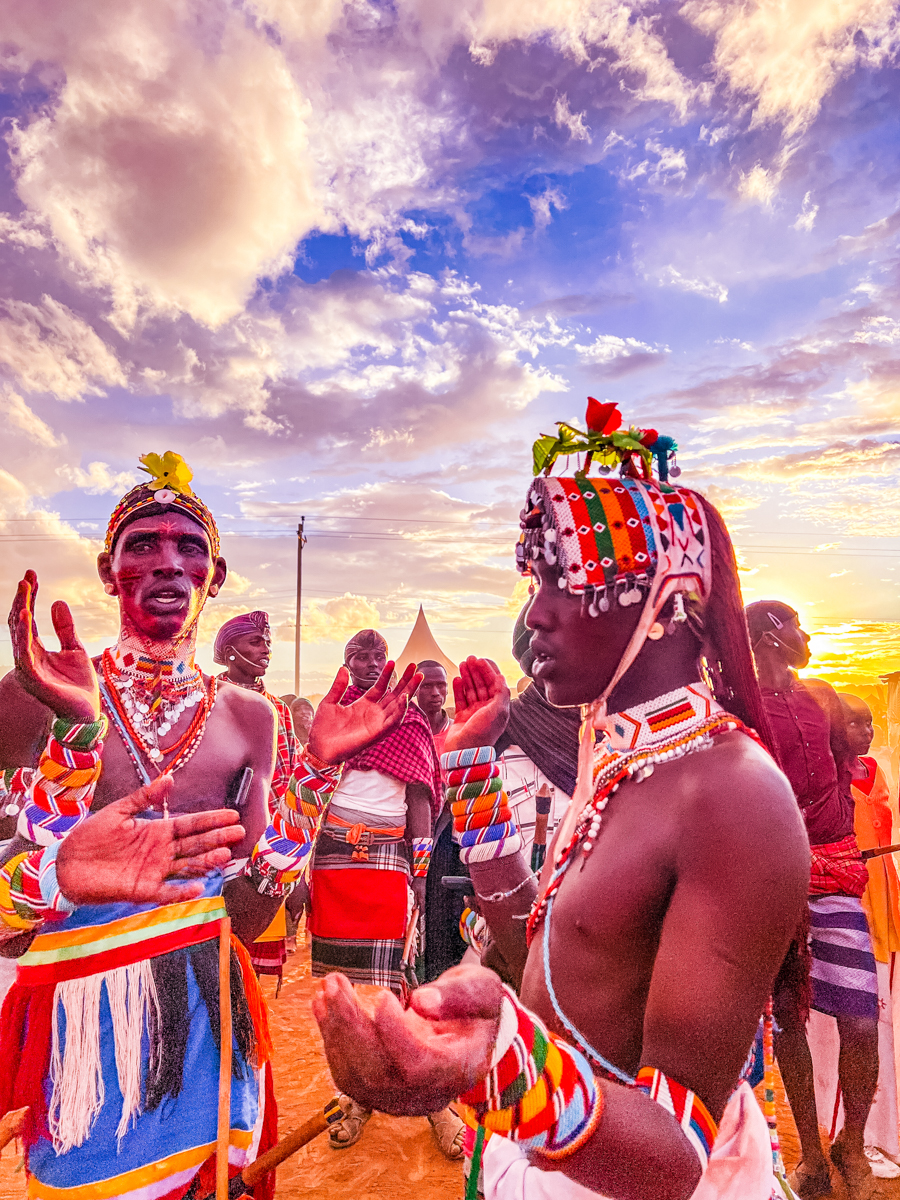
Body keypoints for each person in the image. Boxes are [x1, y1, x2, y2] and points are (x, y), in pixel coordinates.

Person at [312, 403, 810, 1200]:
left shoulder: (731, 796)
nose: (533, 612)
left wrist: (494, 1068)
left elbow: (678, 1155)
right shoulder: (625, 760)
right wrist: (471, 768)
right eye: (534, 580)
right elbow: (541, 950)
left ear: (667, 599)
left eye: (562, 580)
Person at [0, 452, 421, 1199]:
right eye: (143, 544)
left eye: (189, 546)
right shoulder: (35, 693)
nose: (168, 562)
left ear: (215, 575)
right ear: (108, 570)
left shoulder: (249, 718)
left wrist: (316, 774)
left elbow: (248, 911)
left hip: (209, 1019)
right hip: (82, 1038)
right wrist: (63, 805)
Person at [308, 629, 463, 1158]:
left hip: (387, 863)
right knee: (342, 995)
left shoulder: (408, 720)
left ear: (390, 662)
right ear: (345, 662)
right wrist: (293, 875)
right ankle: (354, 1098)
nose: (370, 663)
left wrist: (418, 873)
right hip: (331, 861)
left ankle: (436, 1105)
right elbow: (309, 799)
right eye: (358, 655)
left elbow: (421, 801)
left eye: (377, 655)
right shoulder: (331, 721)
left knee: (395, 984)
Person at [747, 601, 879, 1199]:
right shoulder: (736, 703)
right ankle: (811, 1161)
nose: (805, 635)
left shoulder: (822, 699)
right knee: (788, 1017)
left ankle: (850, 1142)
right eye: (795, 626)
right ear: (770, 638)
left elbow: (845, 765)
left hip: (834, 871)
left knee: (860, 1019)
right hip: (773, 875)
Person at [214, 610, 300, 991]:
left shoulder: (279, 709)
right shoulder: (209, 700)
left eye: (268, 642)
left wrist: (294, 864)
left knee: (247, 954)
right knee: (211, 945)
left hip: (264, 840)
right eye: (256, 642)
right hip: (215, 837)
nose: (266, 650)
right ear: (230, 652)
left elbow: (289, 780)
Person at [416, 660, 452, 754]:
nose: (435, 693)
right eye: (427, 686)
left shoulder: (459, 732)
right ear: (415, 690)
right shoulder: (404, 734)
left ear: (447, 689)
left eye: (441, 685)